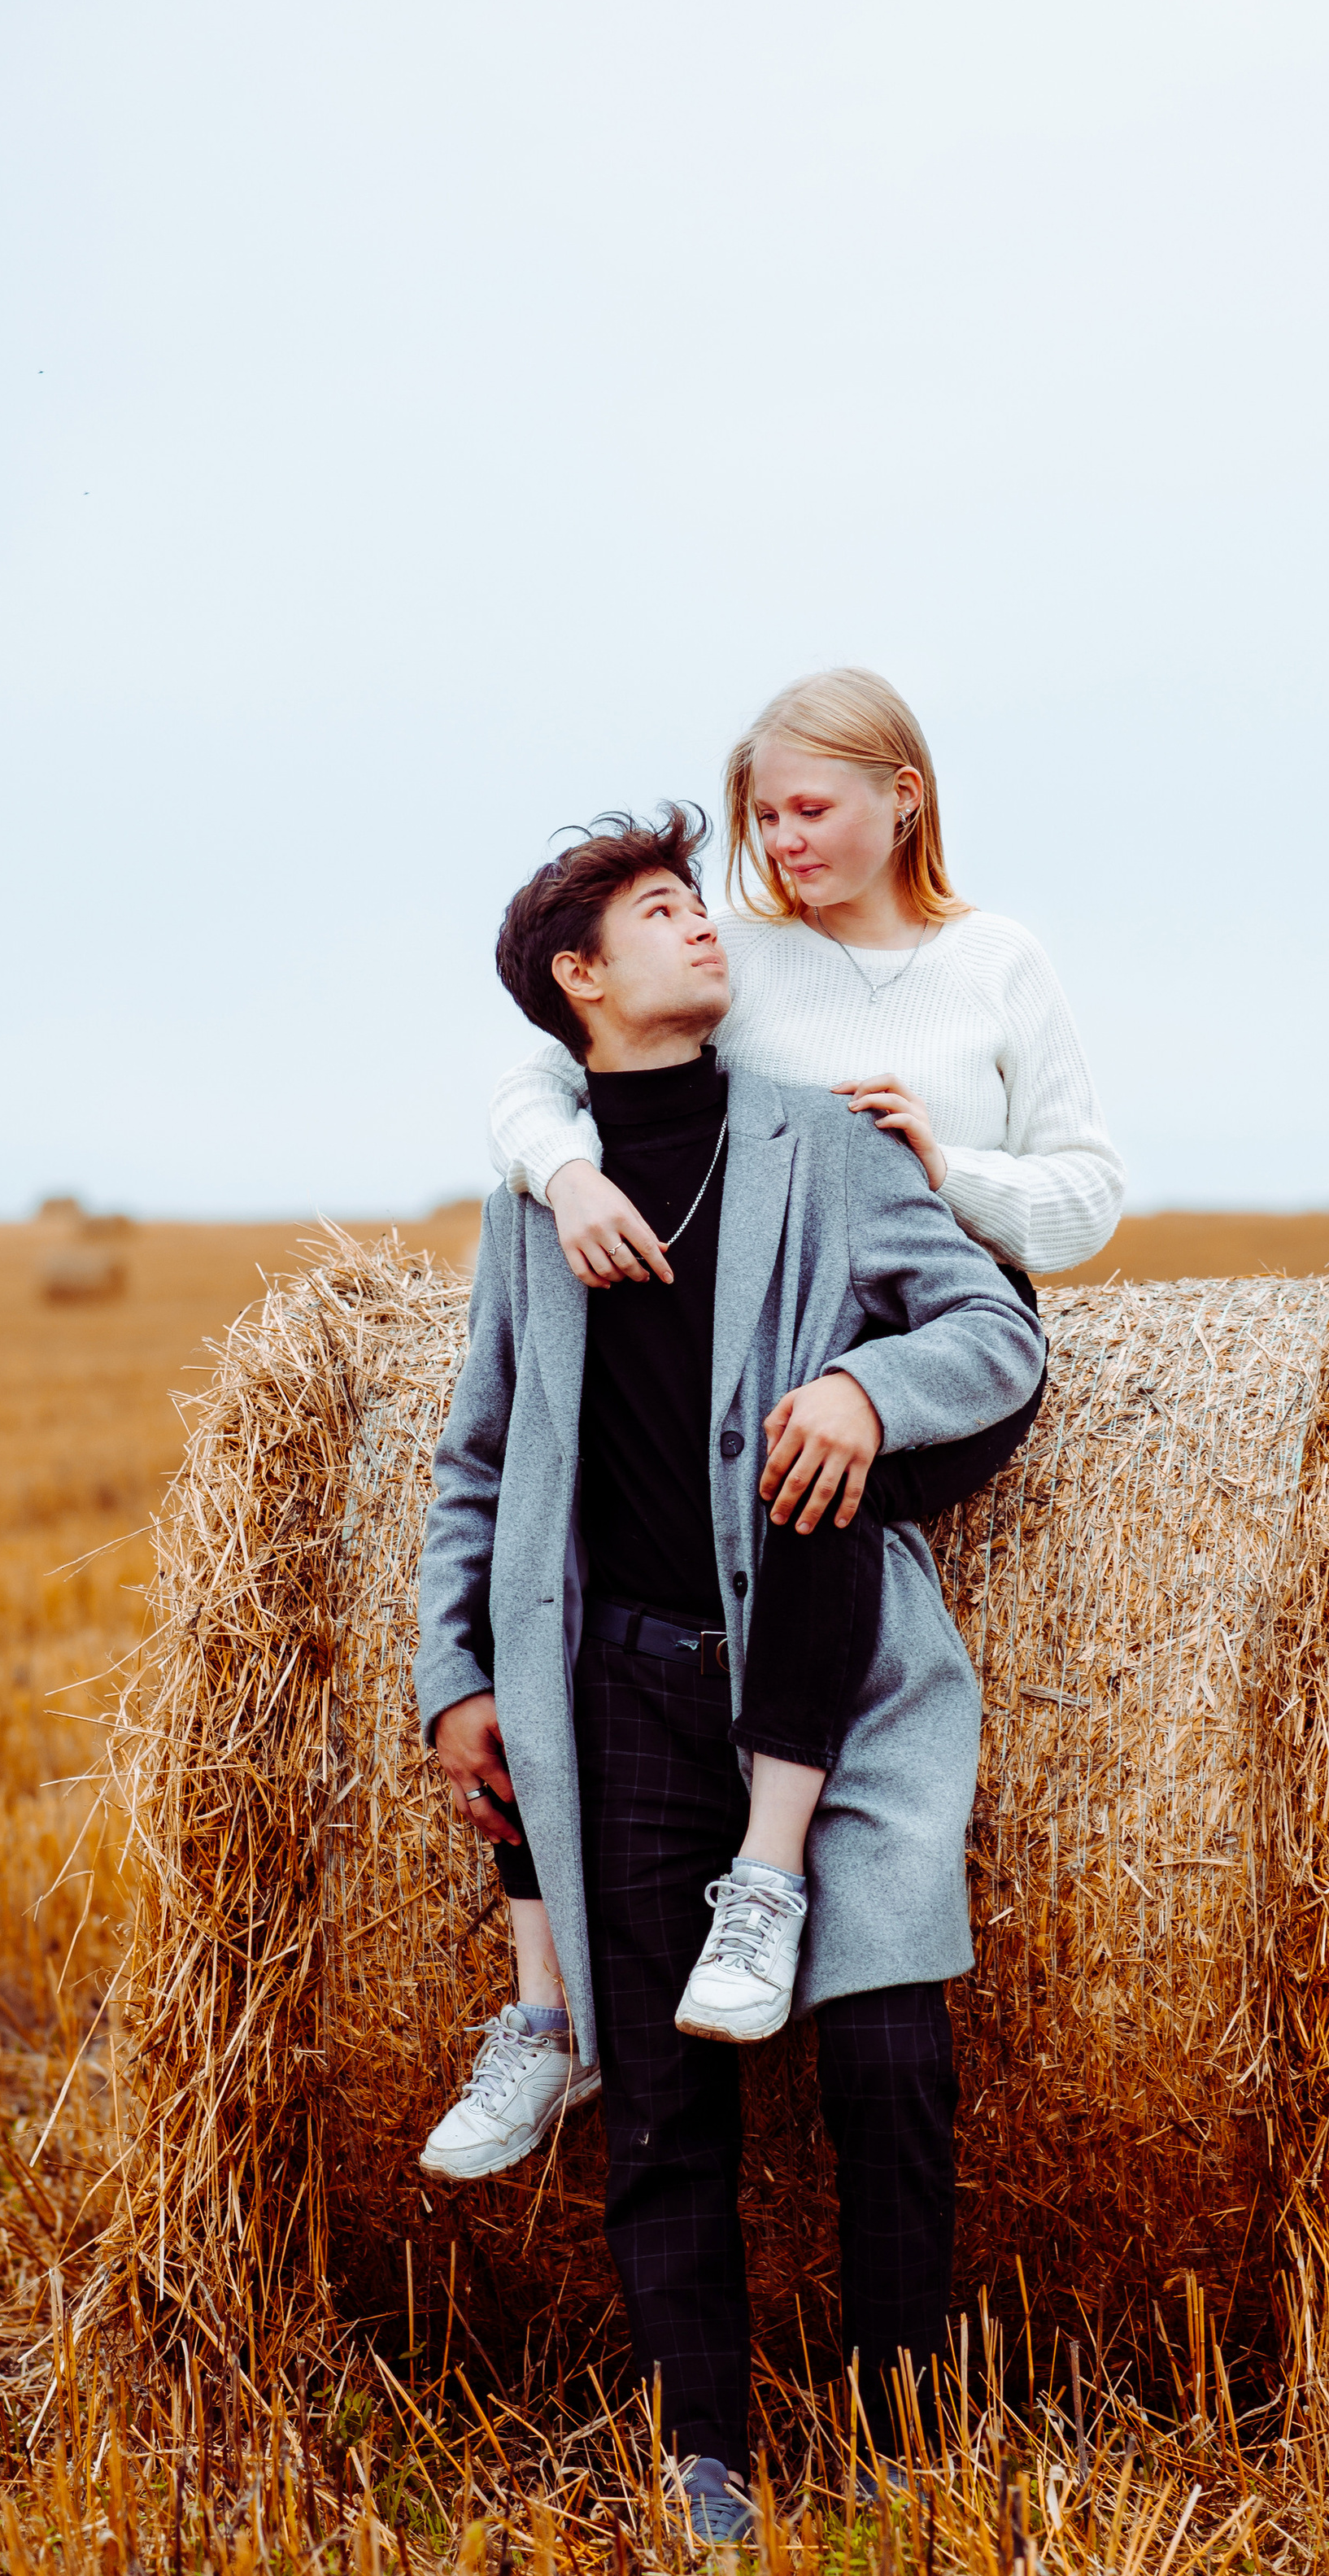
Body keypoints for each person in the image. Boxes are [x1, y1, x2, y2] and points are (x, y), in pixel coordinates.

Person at [412, 809, 1047, 2536]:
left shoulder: (822, 1147)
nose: (704, 926)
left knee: (889, 2063)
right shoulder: (533, 1205)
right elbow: (478, 1460)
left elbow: (993, 1331)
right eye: (659, 910)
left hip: (837, 1682)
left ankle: (902, 2435)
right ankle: (706, 2459)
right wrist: (454, 1674)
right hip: (614, 1687)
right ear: (579, 975)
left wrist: (865, 1390)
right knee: (661, 2104)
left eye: (699, 903)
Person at [464, 668, 1122, 2110]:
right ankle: (580, 1983)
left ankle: (767, 1872)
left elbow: (1086, 1198)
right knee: (765, 1452)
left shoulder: (999, 962)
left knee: (815, 1465)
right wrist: (564, 1173)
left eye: (810, 809)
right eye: (764, 816)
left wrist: (950, 1169)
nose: (781, 842)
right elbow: (543, 1073)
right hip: (788, 1331)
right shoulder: (743, 955)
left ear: (906, 797)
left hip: (948, 1330)